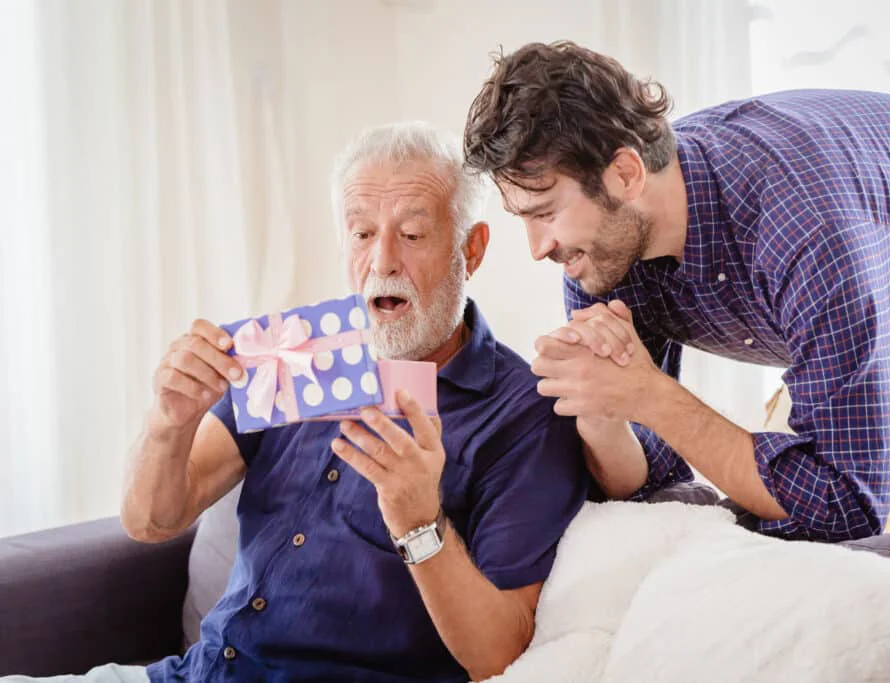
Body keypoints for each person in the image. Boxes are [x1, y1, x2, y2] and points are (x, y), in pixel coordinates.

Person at [5, 122, 587, 683]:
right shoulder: (293, 356)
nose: (382, 261)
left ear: (472, 250)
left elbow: (499, 657)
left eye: (411, 235)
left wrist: (419, 521)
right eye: (361, 233)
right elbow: (150, 521)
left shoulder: (524, 415)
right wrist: (168, 424)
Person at [462, 39, 890, 542]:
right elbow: (651, 469)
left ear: (626, 174)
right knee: (764, 549)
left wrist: (652, 396)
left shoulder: (804, 228)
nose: (538, 247)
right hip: (875, 340)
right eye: (523, 219)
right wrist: (603, 415)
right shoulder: (605, 250)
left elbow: (845, 503)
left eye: (545, 213)